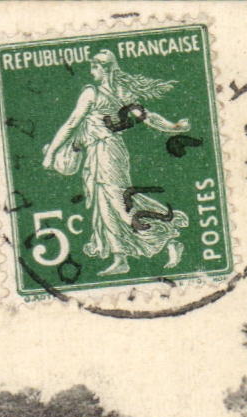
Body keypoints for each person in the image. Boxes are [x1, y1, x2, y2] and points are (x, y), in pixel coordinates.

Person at [41, 49, 191, 277]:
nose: (91, 71)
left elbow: (72, 123)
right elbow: (148, 117)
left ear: (105, 69)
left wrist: (51, 153)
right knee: (105, 206)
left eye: (94, 67)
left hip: (106, 153)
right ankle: (120, 259)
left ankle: (167, 238)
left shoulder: (92, 93)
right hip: (100, 152)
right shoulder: (121, 93)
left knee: (120, 204)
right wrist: (174, 127)